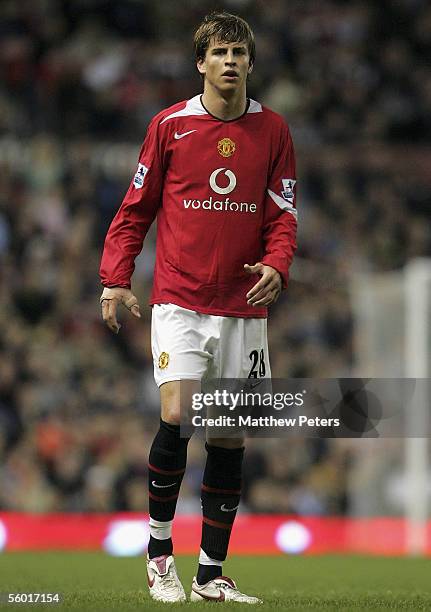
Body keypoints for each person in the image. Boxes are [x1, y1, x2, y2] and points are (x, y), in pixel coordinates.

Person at [99, 11, 297, 604]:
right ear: (201, 63)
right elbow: (135, 210)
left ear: (251, 64)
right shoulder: (170, 127)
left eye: (239, 53)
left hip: (242, 307)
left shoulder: (275, 132)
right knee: (181, 411)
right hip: (181, 298)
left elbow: (283, 215)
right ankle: (160, 557)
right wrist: (115, 278)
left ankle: (212, 573)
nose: (230, 62)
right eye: (220, 52)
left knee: (231, 437)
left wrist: (277, 266)